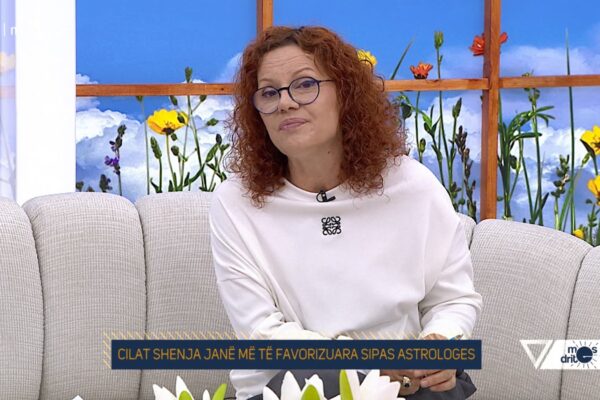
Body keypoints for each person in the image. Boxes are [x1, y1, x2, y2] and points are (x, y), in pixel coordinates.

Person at [208, 25, 483, 400]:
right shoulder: (235, 201)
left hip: (405, 389)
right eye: (269, 92)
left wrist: (440, 344)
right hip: (290, 387)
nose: (285, 103)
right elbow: (261, 331)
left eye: (305, 84)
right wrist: (370, 367)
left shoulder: (412, 185)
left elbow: (453, 300)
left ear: (346, 93)